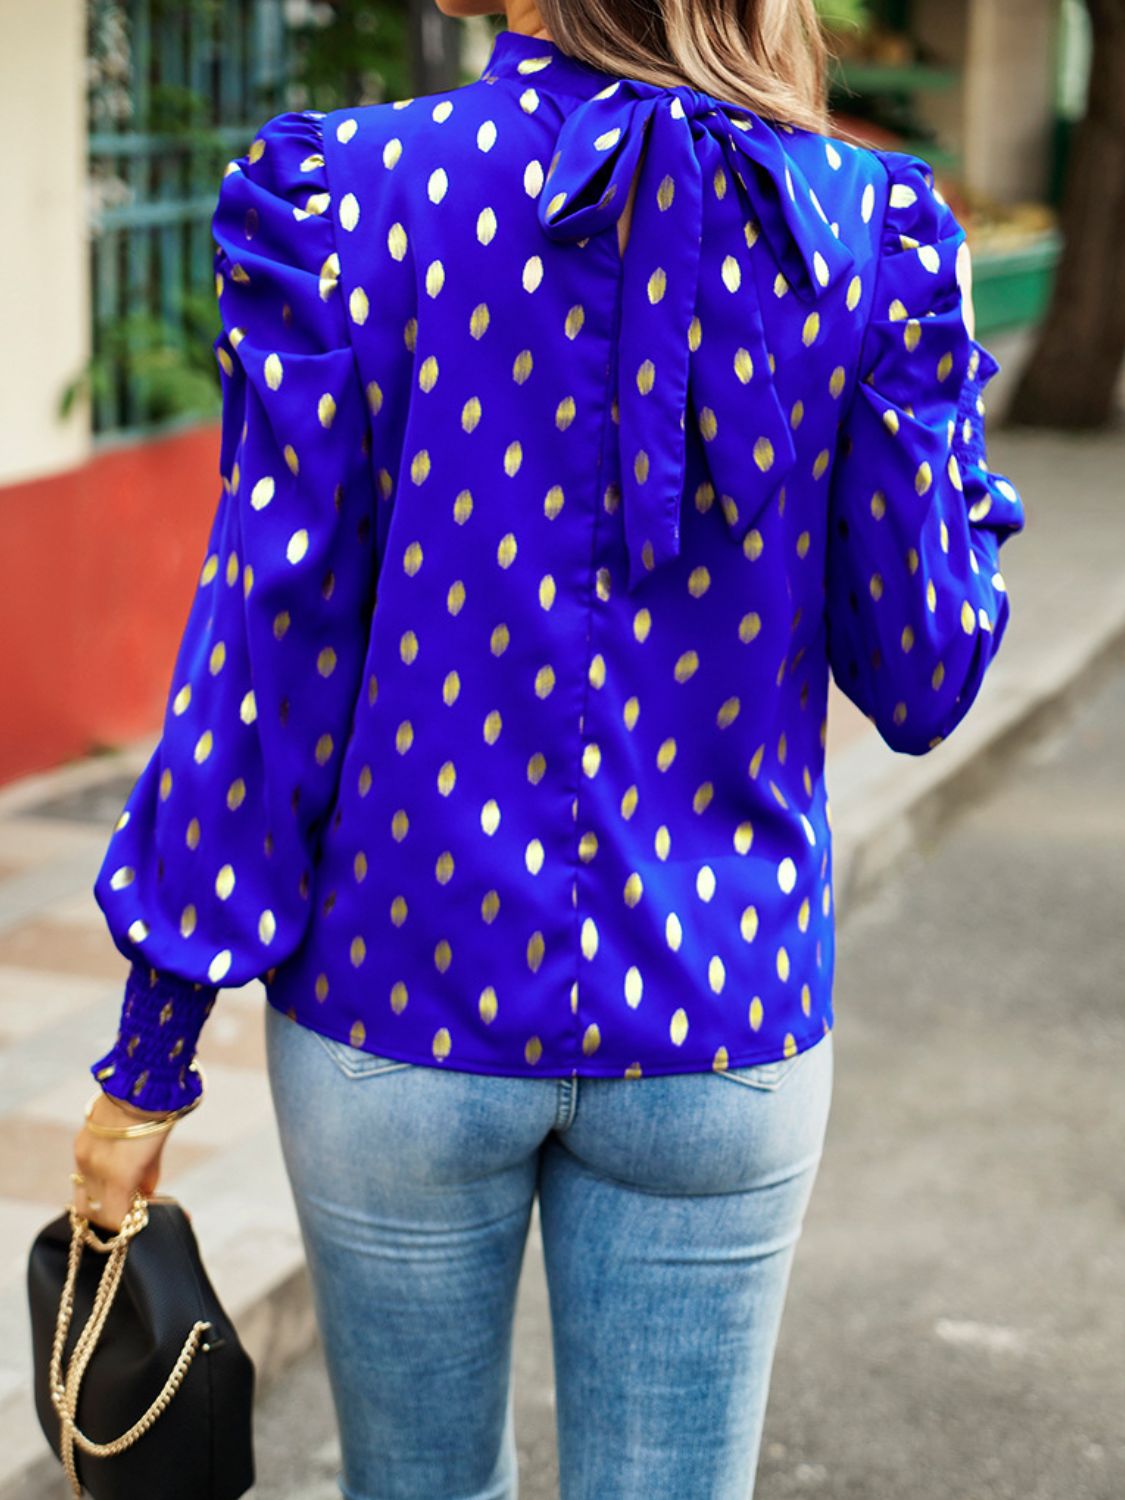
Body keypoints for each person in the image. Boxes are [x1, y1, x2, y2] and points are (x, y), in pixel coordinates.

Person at [72, 1, 1025, 1495]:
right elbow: (921, 668)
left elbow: (268, 658)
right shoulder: (864, 229)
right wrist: (932, 417)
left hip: (397, 997)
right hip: (719, 1005)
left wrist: (150, 1059)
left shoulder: (356, 200)